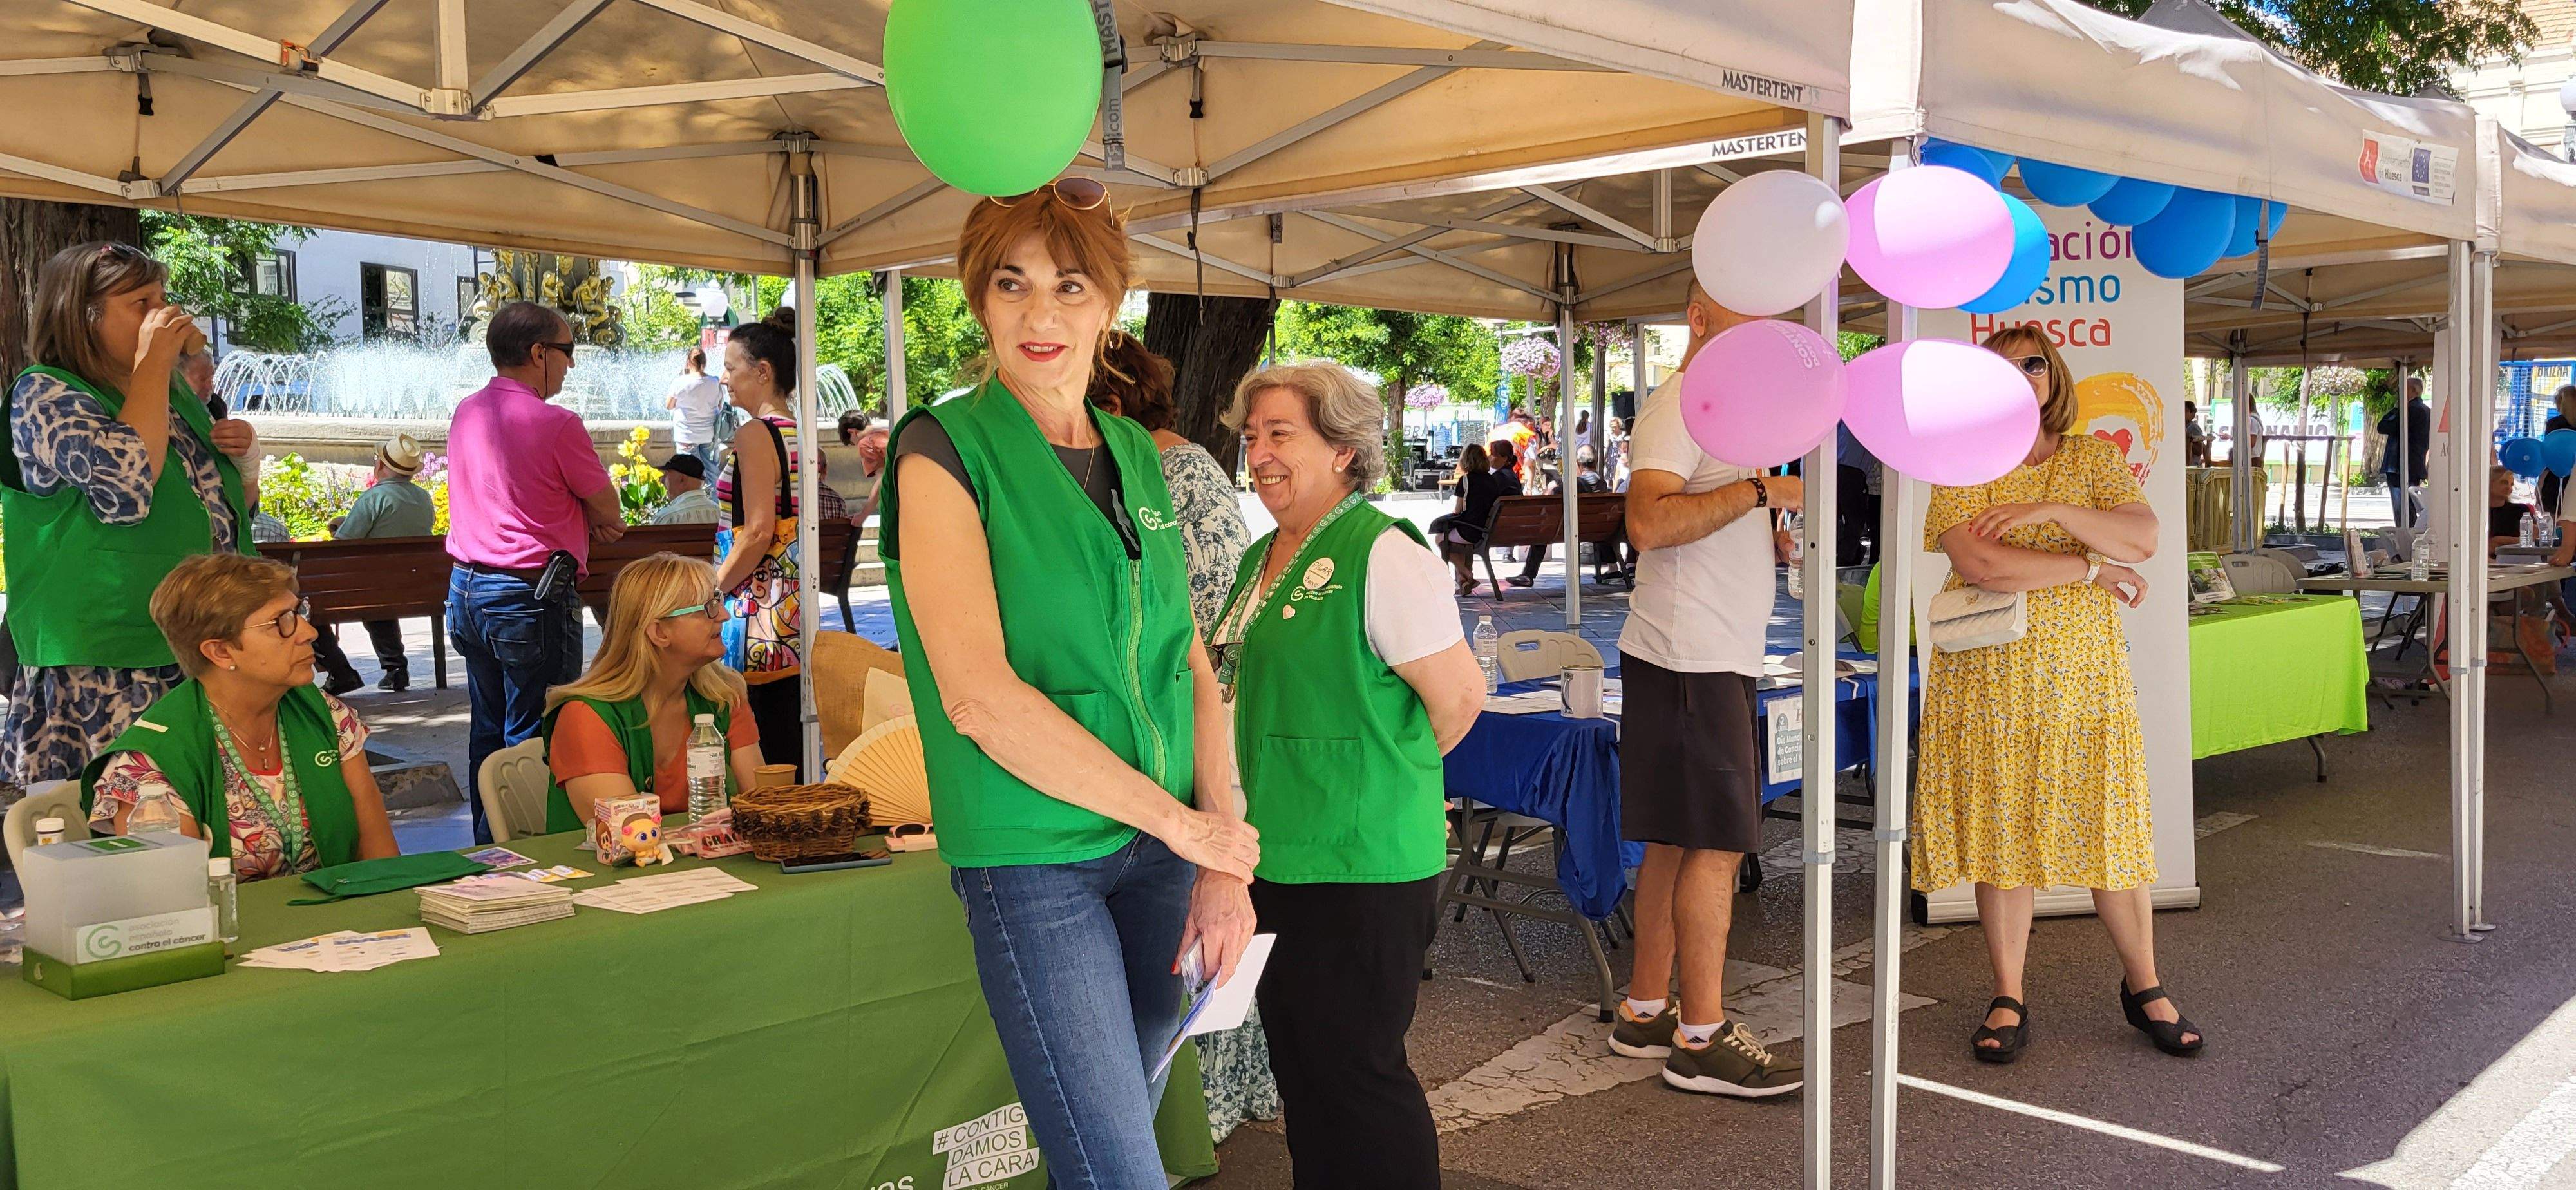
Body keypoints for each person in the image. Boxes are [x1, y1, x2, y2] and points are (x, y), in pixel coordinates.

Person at [881, 175, 1257, 1187]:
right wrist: (1189, 831)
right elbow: (980, 698)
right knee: (1118, 1170)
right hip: (1036, 858)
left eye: (1070, 288)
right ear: (978, 298)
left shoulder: (1140, 452)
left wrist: (1222, 853)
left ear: (1112, 304)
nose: (1041, 315)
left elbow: (1188, 660)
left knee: (1112, 1141)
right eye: (1012, 285)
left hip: (1164, 850)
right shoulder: (942, 449)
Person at [1213, 363, 1483, 1188]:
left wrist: (1373, 779)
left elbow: (1459, 699)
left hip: (1358, 863)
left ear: (1342, 448)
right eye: (1251, 437)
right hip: (1277, 855)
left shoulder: (1381, 553)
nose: (1258, 453)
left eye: (1280, 434)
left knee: (1358, 1077)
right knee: (1307, 1076)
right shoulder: (1262, 554)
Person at [1916, 325, 2201, 1063]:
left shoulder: (2091, 458)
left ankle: (2144, 986)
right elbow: (1981, 565)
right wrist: (2085, 570)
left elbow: (2141, 539)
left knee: (2109, 831)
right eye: (2000, 367)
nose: (2019, 376)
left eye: (2032, 363)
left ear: (2054, 376)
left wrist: (2051, 516)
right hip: (1990, 683)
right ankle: (2007, 993)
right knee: (2002, 838)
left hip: (2085, 684)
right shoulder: (1961, 462)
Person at [1604, 278, 1806, 1096]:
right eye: (1747, 322)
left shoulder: (1714, 407)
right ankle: (1701, 1037)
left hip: (1696, 652)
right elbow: (1649, 522)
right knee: (1717, 844)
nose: (1765, 341)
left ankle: (1647, 1011)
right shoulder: (1682, 400)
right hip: (1691, 656)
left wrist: (1764, 532)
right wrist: (1762, 492)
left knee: (1676, 839)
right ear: (1697, 318)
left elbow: (1693, 519)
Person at [1088, 327, 1276, 1143]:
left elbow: (1211, 630)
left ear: (1117, 403)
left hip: (1183, 739)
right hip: (1150, 745)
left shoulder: (1174, 470)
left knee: (1185, 949)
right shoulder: (1135, 471)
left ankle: (1188, 1123)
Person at [1, 241, 258, 791]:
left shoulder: (167, 392)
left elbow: (222, 516)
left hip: (192, 641)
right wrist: (153, 365)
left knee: (203, 823)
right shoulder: (44, 392)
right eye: (141, 303)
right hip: (106, 661)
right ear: (82, 316)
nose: (163, 315)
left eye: (162, 298)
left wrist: (245, 461)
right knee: (126, 832)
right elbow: (125, 488)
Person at [81, 552, 398, 880]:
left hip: (341, 926)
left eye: (299, 611)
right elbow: (172, 902)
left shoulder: (326, 715)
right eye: (281, 622)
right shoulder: (152, 762)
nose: (308, 632)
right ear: (220, 651)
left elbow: (381, 861)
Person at [445, 299, 625, 845]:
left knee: (488, 730)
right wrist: (587, 519)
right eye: (567, 352)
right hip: (530, 594)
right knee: (537, 730)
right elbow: (608, 509)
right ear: (538, 353)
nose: (571, 365)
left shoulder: (467, 410)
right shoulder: (556, 422)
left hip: (468, 588)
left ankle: (490, 844)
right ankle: (533, 849)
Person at [539, 552, 765, 828]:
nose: (724, 614)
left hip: (701, 866)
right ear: (659, 633)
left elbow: (762, 804)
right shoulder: (585, 716)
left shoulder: (724, 695)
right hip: (611, 870)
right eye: (708, 607)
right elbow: (631, 834)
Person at [710, 307, 810, 774]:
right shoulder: (800, 433)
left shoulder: (755, 434)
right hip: (790, 614)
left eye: (731, 368)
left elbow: (757, 531)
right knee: (788, 738)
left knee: (763, 744)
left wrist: (710, 591)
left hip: (755, 613)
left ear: (762, 371)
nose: (725, 379)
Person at [313, 434, 435, 695]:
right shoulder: (424, 498)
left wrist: (338, 528)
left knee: (308, 604)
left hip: (372, 587)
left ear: (380, 466)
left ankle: (340, 671)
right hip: (416, 587)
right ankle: (395, 668)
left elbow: (345, 543)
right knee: (378, 593)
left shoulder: (373, 499)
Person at [1507, 445, 1608, 588]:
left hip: (1568, 530)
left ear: (1578, 463)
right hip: (1596, 530)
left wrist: (1553, 487)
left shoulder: (1576, 484)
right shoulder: (1602, 483)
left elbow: (1554, 497)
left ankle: (1528, 574)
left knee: (1543, 533)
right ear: (1596, 461)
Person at [1430, 443, 1507, 595]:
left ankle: (1466, 572)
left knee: (1441, 539)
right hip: (1486, 531)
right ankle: (1463, 582)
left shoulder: (1466, 480)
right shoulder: (1493, 481)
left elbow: (1457, 510)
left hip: (1470, 531)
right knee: (1457, 541)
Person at [2378, 376, 2432, 531]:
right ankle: (2410, 535)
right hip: (2414, 465)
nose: (2398, 392)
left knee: (2401, 509)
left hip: (2399, 466)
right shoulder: (2426, 411)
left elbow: (2383, 426)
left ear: (2412, 391)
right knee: (2409, 507)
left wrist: (2396, 409)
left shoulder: (2409, 410)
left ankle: (2406, 540)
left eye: (2402, 388)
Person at [665, 346, 725, 471]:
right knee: (712, 474)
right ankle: (713, 492)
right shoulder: (715, 382)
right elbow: (719, 407)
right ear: (705, 363)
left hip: (686, 436)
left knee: (689, 474)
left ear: (688, 362)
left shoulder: (679, 382)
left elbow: (669, 406)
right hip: (709, 436)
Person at [649, 453, 720, 525]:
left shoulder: (668, 518)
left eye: (667, 474)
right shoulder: (720, 514)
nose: (662, 480)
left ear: (682, 479)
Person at [2539, 384, 2574, 522]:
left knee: (2554, 520)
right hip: (2573, 477)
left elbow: (2547, 452)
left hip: (2555, 479)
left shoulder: (2554, 424)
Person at [2488, 464, 2533, 557]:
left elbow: (2534, 539)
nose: (2509, 488)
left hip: (2517, 561)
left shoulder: (2521, 511)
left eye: (2511, 484)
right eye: (2504, 483)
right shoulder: (2477, 513)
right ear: (2489, 483)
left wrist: (2499, 540)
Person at [2183, 400, 2211, 468]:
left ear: (2192, 413)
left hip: (2192, 466)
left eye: (2186, 411)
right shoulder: (2183, 427)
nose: (2183, 413)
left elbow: (2199, 450)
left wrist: (2188, 440)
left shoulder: (2193, 427)